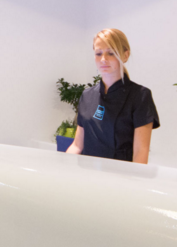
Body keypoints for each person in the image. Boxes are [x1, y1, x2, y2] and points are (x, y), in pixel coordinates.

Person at [66, 29, 159, 164]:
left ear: (125, 55)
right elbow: (77, 146)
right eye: (98, 53)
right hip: (87, 173)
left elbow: (140, 152)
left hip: (120, 174)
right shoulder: (87, 96)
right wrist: (62, 167)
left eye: (111, 53)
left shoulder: (140, 96)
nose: (103, 59)